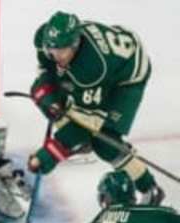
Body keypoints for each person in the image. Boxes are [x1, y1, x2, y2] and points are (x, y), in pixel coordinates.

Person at [27, 11, 164, 203]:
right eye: (52, 49)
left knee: (105, 142)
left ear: (75, 44)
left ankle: (150, 187)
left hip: (127, 77)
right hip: (110, 56)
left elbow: (85, 126)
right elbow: (46, 69)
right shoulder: (46, 40)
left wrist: (48, 155)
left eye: (62, 50)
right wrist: (50, 97)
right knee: (43, 93)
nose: (55, 55)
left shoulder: (92, 70)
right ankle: (80, 144)